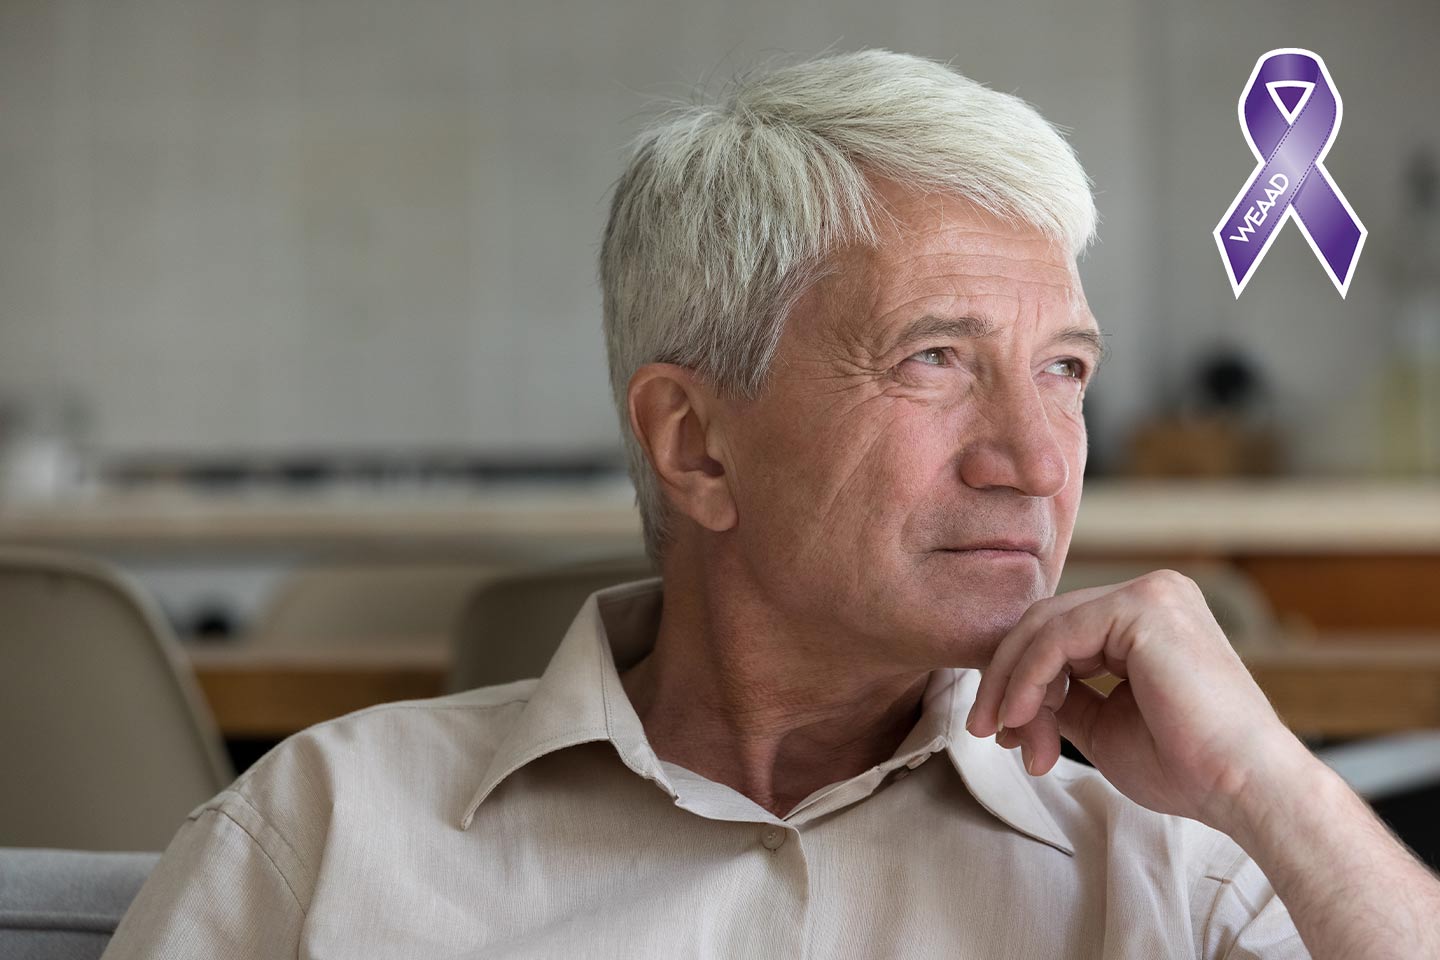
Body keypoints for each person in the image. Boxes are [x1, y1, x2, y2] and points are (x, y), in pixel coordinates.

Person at [103, 49, 1440, 959]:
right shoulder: (322, 844)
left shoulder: (1172, 875)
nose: (1036, 459)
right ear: (694, 444)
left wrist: (1272, 787)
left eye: (1066, 372)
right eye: (935, 360)